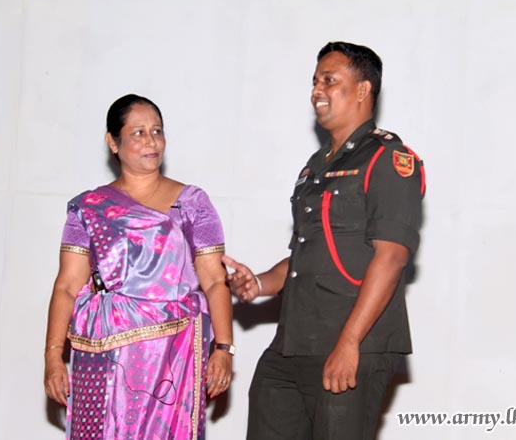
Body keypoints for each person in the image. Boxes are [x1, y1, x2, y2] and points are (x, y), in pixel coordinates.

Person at [222, 42, 425, 440]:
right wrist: (259, 283)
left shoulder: (388, 158)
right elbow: (306, 255)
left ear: (363, 90)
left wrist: (349, 343)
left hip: (351, 345)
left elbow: (391, 258)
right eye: (315, 81)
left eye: (329, 80)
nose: (317, 90)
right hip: (293, 343)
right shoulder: (313, 168)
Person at [44, 94, 235, 439]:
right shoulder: (89, 207)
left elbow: (214, 280)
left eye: (157, 131)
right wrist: (53, 356)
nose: (151, 141)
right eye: (138, 132)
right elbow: (67, 286)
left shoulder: (192, 203)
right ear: (112, 142)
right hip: (104, 350)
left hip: (172, 354)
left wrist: (223, 348)